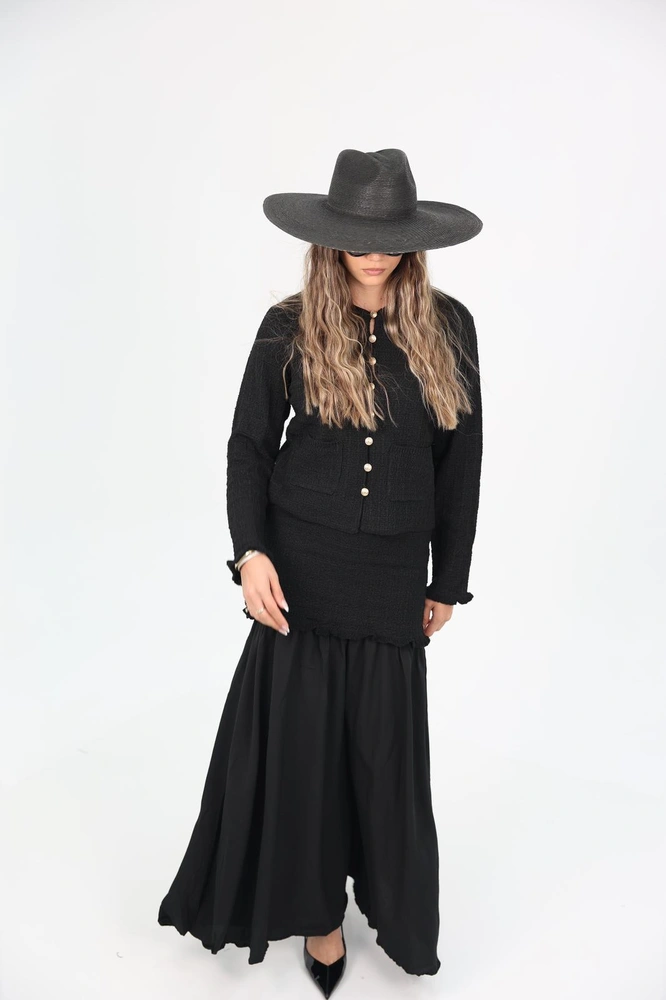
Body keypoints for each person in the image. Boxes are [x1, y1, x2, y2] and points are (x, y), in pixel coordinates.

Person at [157, 148, 484, 997]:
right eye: (357, 238)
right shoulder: (289, 323)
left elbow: (461, 464)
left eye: (390, 239)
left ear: (415, 241)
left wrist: (447, 580)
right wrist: (250, 553)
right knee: (302, 757)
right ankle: (318, 916)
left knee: (379, 761)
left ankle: (386, 909)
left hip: (390, 579)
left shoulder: (451, 326)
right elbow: (248, 446)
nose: (374, 254)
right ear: (329, 238)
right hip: (298, 573)